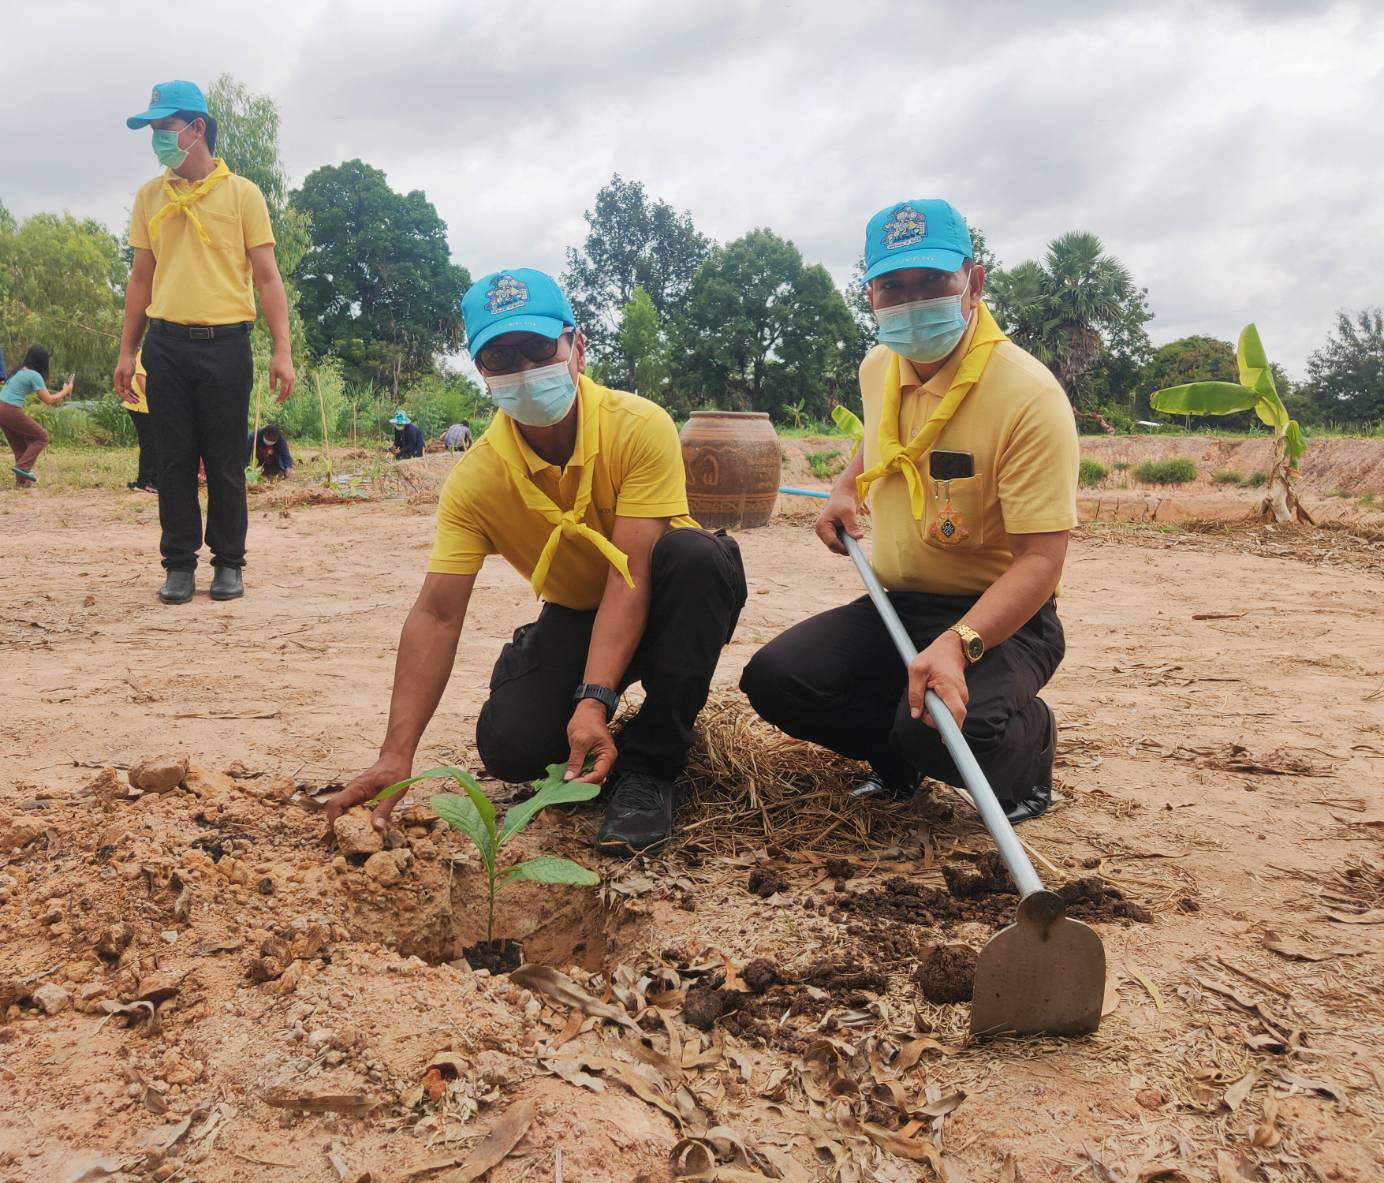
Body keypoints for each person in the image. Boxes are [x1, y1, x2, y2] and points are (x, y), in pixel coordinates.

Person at [326, 268, 746, 855]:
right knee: (511, 749)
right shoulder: (476, 480)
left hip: (666, 593)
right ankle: (544, 669)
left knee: (696, 556)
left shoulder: (638, 426)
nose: (523, 369)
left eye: (536, 348)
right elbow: (437, 615)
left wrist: (592, 699)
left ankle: (653, 764)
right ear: (482, 373)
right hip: (579, 610)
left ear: (577, 346)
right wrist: (397, 752)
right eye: (500, 357)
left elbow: (632, 575)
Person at [741, 199, 1079, 824]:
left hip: (1000, 616)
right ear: (869, 293)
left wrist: (959, 644)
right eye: (892, 286)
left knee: (938, 729)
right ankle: (896, 763)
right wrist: (848, 487)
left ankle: (1028, 745)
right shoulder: (880, 366)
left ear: (973, 283)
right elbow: (881, 433)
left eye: (932, 282)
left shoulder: (1027, 396)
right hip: (899, 602)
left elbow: (1042, 561)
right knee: (778, 678)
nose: (910, 301)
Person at [114, 79, 296, 605]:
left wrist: (281, 350)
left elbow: (267, 276)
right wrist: (128, 350)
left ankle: (229, 563)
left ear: (197, 129)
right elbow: (141, 280)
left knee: (224, 461)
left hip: (226, 345)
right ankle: (177, 564)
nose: (158, 140)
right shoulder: (151, 197)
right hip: (166, 344)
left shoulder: (242, 194)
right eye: (153, 131)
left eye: (165, 129)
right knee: (172, 459)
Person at [0, 346, 72, 486]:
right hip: (10, 409)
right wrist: (66, 390)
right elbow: (49, 400)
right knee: (41, 437)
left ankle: (22, 481)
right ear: (42, 361)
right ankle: (22, 468)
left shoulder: (18, 371)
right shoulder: (34, 375)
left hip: (1, 408)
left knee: (19, 446)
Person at [126, 350, 157, 493]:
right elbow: (140, 377)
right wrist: (155, 399)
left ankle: (154, 480)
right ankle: (143, 482)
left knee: (157, 443)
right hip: (141, 405)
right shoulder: (146, 352)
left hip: (150, 407)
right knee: (149, 443)